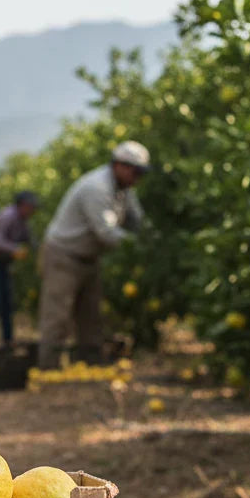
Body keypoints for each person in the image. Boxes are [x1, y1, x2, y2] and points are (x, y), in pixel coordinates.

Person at [37, 140, 149, 369]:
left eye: (141, 173)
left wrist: (152, 237)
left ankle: (90, 362)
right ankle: (48, 366)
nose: (137, 178)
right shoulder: (96, 188)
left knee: (91, 314)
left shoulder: (124, 190)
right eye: (135, 171)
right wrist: (139, 245)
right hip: (64, 255)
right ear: (119, 165)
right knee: (58, 314)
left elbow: (138, 220)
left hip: (89, 257)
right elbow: (106, 233)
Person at [0, 190, 38, 351]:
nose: (33, 211)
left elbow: (29, 239)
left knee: (7, 302)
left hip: (3, 263)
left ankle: (8, 340)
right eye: (31, 207)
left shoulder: (23, 221)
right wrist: (14, 249)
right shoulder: (7, 216)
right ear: (22, 205)